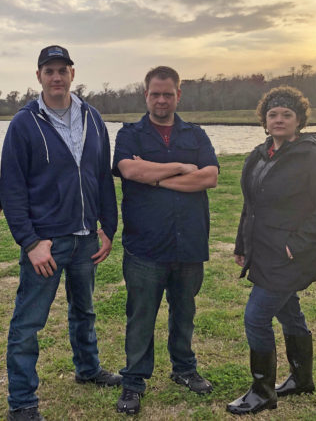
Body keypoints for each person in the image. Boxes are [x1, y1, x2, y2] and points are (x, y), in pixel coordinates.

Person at [1, 45, 120, 421]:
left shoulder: (92, 117)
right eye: (48, 70)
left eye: (62, 70)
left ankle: (88, 368)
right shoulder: (24, 123)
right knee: (28, 322)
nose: (56, 77)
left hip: (86, 238)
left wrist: (108, 228)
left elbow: (102, 176)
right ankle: (22, 400)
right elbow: (12, 188)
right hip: (47, 243)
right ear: (38, 76)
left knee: (83, 310)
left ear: (72, 73)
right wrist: (31, 242)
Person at [227, 86, 316, 415]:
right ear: (264, 121)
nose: (279, 119)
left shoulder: (313, 155)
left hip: (289, 255)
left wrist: (298, 242)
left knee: (256, 317)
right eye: (273, 114)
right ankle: (301, 379)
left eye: (286, 115)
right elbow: (251, 204)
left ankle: (262, 391)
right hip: (262, 251)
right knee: (288, 311)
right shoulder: (260, 154)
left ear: (299, 120)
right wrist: (242, 244)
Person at [112, 66, 219, 415]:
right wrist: (181, 167)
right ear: (145, 95)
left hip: (189, 241)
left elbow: (209, 178)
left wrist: (155, 176)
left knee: (184, 312)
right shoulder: (130, 134)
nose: (161, 100)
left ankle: (184, 369)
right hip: (145, 245)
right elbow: (130, 170)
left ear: (178, 95)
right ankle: (133, 382)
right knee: (141, 315)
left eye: (168, 94)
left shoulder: (196, 134)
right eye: (155, 93)